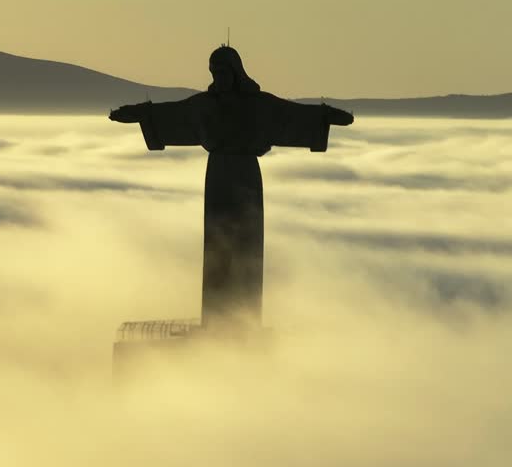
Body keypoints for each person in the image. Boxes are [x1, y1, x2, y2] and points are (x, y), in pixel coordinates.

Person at [110, 46, 352, 332]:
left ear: (236, 73)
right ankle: (217, 321)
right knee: (217, 247)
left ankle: (244, 322)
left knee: (246, 248)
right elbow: (173, 112)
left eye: (223, 71)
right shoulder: (204, 105)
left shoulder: (259, 104)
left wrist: (324, 118)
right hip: (219, 177)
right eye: (214, 72)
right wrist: (141, 114)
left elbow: (290, 114)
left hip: (246, 177)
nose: (218, 77)